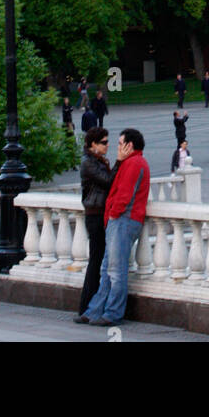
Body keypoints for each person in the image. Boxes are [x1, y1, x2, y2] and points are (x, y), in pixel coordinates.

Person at [76, 128, 150, 327]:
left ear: (129, 145)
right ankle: (94, 311)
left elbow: (124, 195)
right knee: (107, 269)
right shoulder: (129, 162)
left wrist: (113, 214)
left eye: (119, 143)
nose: (115, 147)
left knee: (115, 271)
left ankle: (112, 313)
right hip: (118, 220)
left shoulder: (135, 163)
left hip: (123, 220)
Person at [77, 126, 112, 316]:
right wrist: (120, 163)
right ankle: (86, 307)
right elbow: (107, 180)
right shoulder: (88, 163)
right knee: (96, 260)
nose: (108, 146)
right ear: (93, 144)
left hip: (99, 213)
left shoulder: (96, 160)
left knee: (99, 260)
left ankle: (92, 305)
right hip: (94, 215)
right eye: (104, 142)